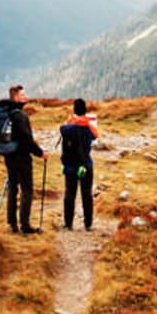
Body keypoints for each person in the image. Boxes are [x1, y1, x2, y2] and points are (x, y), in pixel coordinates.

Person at [0, 84, 44, 234]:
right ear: (16, 97)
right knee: (27, 190)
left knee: (12, 188)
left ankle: (12, 224)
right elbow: (27, 140)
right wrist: (40, 153)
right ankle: (25, 225)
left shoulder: (7, 114)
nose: (26, 97)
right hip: (22, 157)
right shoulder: (21, 116)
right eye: (23, 95)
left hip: (9, 156)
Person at [59, 98, 98, 231]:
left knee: (70, 193)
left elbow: (62, 129)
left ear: (74, 110)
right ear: (85, 110)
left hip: (70, 165)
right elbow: (95, 135)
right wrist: (87, 121)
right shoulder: (88, 128)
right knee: (86, 194)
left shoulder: (66, 128)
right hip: (86, 163)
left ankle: (68, 223)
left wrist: (71, 120)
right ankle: (88, 224)